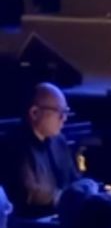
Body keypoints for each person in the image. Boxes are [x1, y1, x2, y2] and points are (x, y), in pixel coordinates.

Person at [0, 84, 80, 218]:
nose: (64, 119)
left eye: (66, 112)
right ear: (34, 113)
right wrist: (67, 199)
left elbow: (74, 179)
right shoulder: (13, 145)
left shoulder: (59, 141)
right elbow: (31, 194)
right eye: (59, 112)